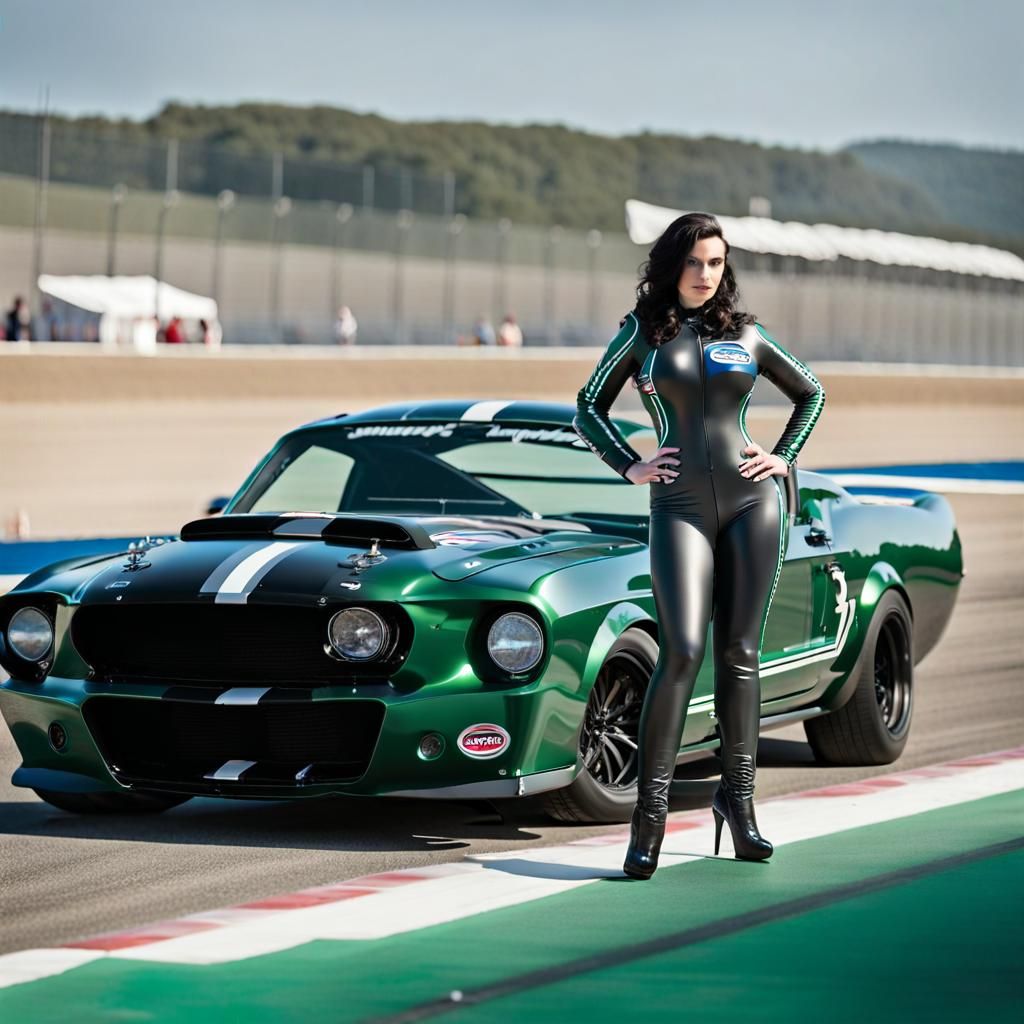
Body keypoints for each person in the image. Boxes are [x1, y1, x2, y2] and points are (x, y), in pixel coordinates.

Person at [573, 212, 825, 879]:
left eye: (716, 263)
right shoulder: (642, 333)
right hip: (679, 507)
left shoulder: (747, 334)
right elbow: (588, 406)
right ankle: (649, 817)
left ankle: (738, 803)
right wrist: (629, 464)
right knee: (682, 651)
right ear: (671, 264)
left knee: (741, 654)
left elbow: (810, 393)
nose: (705, 274)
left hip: (753, 505)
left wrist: (783, 458)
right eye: (693, 262)